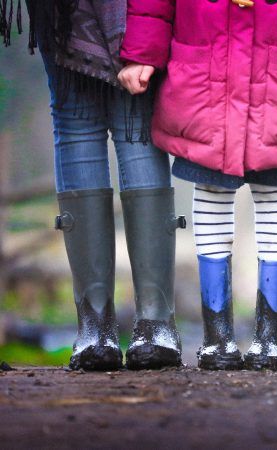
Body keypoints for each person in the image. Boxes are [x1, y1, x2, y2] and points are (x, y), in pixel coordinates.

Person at [118, 0, 277, 371]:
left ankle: (271, 338)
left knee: (274, 194)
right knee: (211, 191)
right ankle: (217, 337)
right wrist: (143, 51)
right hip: (203, 77)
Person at [1, 0, 185, 371]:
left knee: (125, 124)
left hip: (126, 16)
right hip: (67, 15)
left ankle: (141, 322)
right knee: (82, 123)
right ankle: (104, 324)